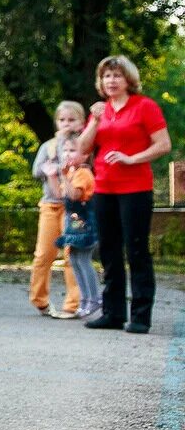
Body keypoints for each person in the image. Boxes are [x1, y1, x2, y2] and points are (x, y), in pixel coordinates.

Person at [72, 55, 171, 334]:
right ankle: (113, 313)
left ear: (128, 79)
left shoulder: (145, 107)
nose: (111, 81)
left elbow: (163, 145)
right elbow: (82, 148)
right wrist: (95, 121)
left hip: (136, 189)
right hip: (104, 187)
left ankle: (140, 316)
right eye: (106, 76)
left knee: (136, 250)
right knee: (109, 250)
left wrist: (132, 158)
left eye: (116, 75)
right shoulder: (100, 111)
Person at [29, 102, 86, 318]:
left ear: (81, 122)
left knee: (72, 254)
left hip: (75, 207)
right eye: (62, 120)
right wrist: (52, 165)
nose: (66, 124)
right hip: (50, 204)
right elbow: (36, 171)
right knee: (44, 253)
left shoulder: (83, 145)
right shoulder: (49, 146)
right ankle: (39, 299)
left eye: (71, 120)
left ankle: (73, 304)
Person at [51, 134, 100, 319]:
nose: (67, 154)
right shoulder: (72, 172)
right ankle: (85, 300)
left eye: (72, 150)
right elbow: (58, 194)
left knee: (83, 260)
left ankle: (93, 298)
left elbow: (73, 196)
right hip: (74, 224)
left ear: (86, 155)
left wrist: (64, 177)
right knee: (74, 259)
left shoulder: (83, 173)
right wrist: (53, 176)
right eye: (65, 150)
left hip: (85, 224)